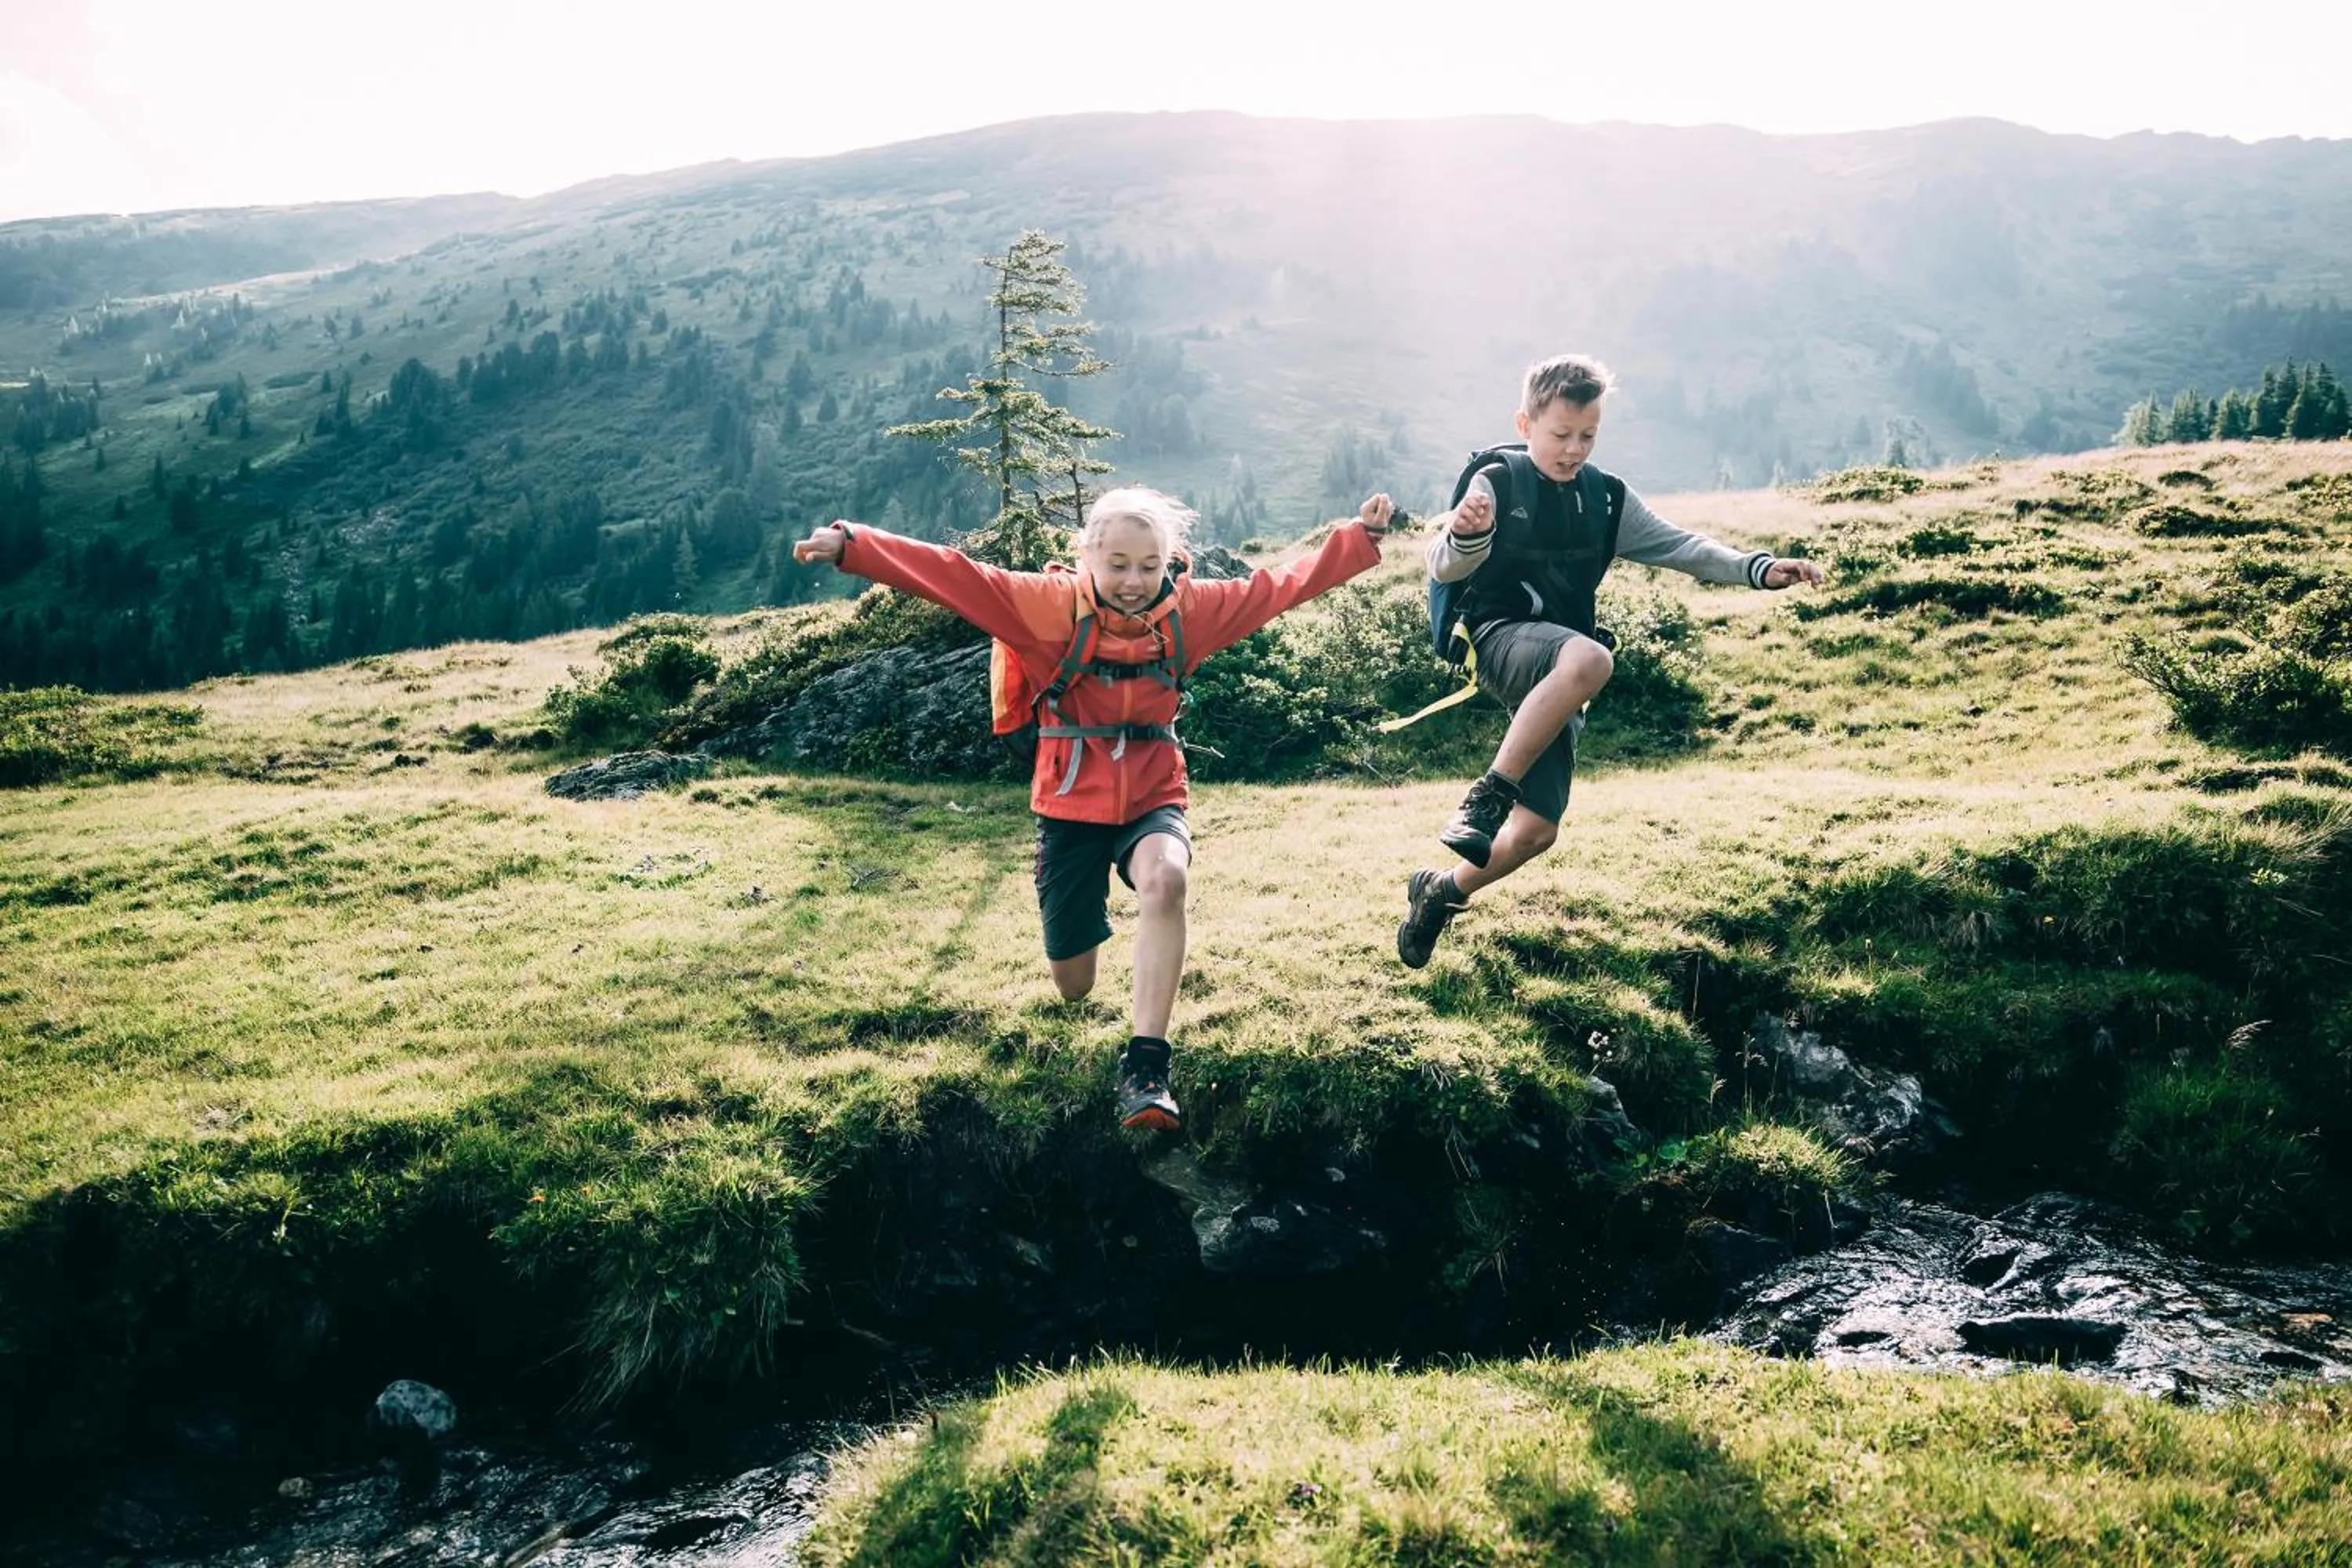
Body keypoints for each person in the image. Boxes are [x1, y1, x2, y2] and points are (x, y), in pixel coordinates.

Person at [796, 487, 1396, 1128]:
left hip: (1153, 792)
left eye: (1149, 565)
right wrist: (854, 546)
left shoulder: (1191, 612)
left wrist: (1358, 540)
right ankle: (1079, 919)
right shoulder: (1045, 606)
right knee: (1074, 984)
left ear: (1171, 560)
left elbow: (1276, 588)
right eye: (1117, 564)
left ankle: (1147, 1066)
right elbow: (954, 575)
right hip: (1068, 805)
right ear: (1085, 556)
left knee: (1166, 880)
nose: (1134, 581)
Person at [1396, 354, 1826, 968]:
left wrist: (1757, 568)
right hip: (1495, 639)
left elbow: (1681, 546)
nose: (1574, 450)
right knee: (1592, 659)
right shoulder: (1496, 481)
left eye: (1588, 436)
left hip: (1560, 668)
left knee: (1538, 832)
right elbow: (1444, 564)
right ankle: (1485, 798)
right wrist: (1466, 534)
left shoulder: (1603, 500)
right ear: (1526, 423)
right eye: (1560, 435)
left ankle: (1440, 892)